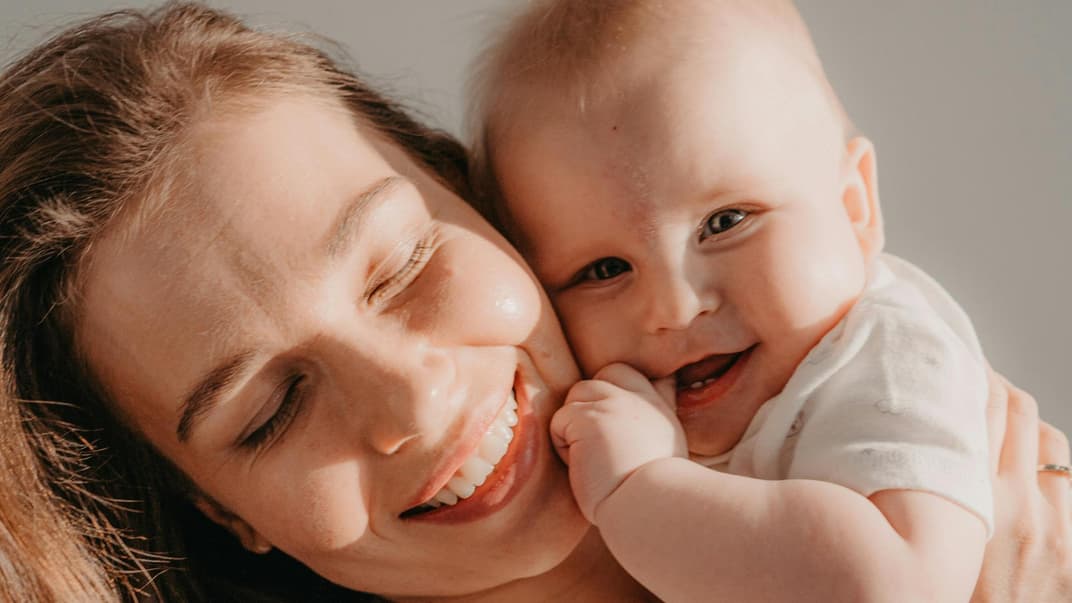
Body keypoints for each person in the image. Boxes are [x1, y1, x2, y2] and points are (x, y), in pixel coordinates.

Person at [0, 3, 1069, 602]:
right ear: (219, 510)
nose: (409, 398)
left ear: (478, 199)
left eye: (400, 265)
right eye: (269, 410)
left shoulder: (868, 401)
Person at [469, 1, 1067, 601]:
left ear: (855, 207)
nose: (675, 307)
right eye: (604, 269)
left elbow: (894, 583)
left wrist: (643, 485)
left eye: (725, 222)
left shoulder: (882, 360)